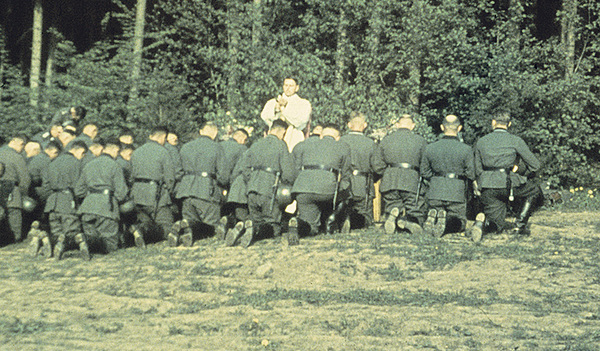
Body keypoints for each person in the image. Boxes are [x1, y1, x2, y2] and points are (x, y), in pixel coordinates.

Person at [472, 111, 542, 241]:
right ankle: (519, 226)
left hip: (488, 186)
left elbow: (477, 169)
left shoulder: (481, 141)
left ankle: (482, 223)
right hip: (509, 183)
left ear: (493, 122)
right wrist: (522, 176)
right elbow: (535, 165)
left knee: (497, 225)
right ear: (509, 124)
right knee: (534, 189)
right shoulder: (515, 141)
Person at [288, 123, 351, 245]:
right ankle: (330, 223)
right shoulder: (343, 147)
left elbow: (295, 169)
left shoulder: (304, 145)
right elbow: (346, 175)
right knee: (344, 192)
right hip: (327, 190)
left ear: (321, 135)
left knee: (311, 225)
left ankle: (297, 224)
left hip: (303, 188)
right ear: (337, 137)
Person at [235, 119, 294, 247]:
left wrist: (251, 180)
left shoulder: (256, 144)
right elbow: (288, 173)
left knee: (256, 218)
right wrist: (287, 184)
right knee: (273, 225)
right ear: (282, 132)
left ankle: (244, 228)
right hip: (269, 189)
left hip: (251, 189)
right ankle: (254, 231)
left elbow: (243, 167)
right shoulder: (280, 145)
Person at [170, 122, 228, 247]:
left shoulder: (185, 147)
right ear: (215, 132)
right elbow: (223, 176)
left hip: (186, 190)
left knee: (191, 222)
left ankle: (183, 228)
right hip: (206, 191)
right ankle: (187, 230)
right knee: (211, 227)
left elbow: (178, 172)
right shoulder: (217, 147)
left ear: (201, 131)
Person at [372, 114, 427, 235]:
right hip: (411, 180)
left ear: (397, 125)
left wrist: (387, 173)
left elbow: (377, 165)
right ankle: (409, 222)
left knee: (392, 204)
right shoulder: (420, 141)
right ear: (413, 126)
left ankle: (393, 216)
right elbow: (425, 165)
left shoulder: (386, 140)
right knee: (415, 210)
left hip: (390, 179)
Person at [420, 115, 475, 237]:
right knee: (459, 222)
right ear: (459, 128)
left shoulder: (430, 148)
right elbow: (471, 173)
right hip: (456, 192)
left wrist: (435, 179)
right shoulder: (466, 149)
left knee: (435, 209)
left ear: (441, 127)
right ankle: (447, 223)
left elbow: (424, 171)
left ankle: (434, 218)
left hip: (435, 191)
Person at [76, 138, 128, 255]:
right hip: (106, 207)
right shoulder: (115, 165)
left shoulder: (88, 165)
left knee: (91, 239)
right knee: (110, 244)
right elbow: (121, 193)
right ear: (115, 150)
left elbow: (78, 191)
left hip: (87, 207)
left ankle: (78, 243)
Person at [39, 140, 88, 260]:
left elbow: (45, 186)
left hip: (52, 202)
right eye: (83, 154)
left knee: (56, 230)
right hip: (67, 201)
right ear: (79, 150)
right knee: (72, 230)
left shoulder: (52, 163)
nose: (82, 157)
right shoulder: (76, 164)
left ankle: (49, 241)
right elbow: (79, 186)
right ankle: (63, 246)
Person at [130, 126, 175, 248]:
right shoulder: (164, 152)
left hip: (137, 193)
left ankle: (139, 230)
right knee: (167, 226)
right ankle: (143, 232)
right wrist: (170, 193)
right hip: (156, 194)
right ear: (163, 137)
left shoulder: (136, 152)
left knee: (144, 220)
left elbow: (131, 174)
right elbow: (170, 178)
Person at [339, 112, 377, 231]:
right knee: (364, 213)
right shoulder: (370, 143)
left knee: (344, 206)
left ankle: (346, 218)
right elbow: (376, 166)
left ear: (349, 125)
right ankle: (358, 222)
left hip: (344, 182)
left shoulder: (341, 141)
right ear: (364, 125)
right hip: (363, 182)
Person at [260, 77, 312, 152]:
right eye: (286, 85)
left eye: (291, 86)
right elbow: (264, 116)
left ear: (297, 88)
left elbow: (301, 121)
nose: (288, 88)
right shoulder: (273, 102)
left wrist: (285, 108)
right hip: (274, 137)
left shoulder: (303, 103)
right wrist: (276, 109)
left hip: (293, 137)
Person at [218, 128, 249, 238]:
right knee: (240, 213)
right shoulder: (242, 148)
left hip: (217, 185)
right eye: (245, 140)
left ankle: (224, 224)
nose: (244, 142)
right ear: (240, 137)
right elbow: (241, 169)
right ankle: (237, 226)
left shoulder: (218, 146)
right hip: (235, 185)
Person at [0, 134, 31, 243]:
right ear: (20, 143)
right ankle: (16, 238)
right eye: (23, 146)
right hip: (13, 189)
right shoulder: (16, 157)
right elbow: (25, 178)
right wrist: (23, 194)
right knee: (14, 212)